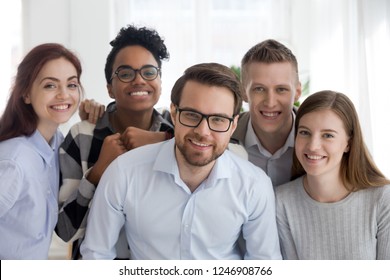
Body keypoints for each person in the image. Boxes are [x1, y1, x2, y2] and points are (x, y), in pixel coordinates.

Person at [80, 62, 282, 260]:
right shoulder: (123, 172)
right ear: (175, 114)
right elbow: (96, 255)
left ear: (233, 124)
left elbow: (264, 264)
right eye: (192, 115)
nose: (203, 132)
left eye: (218, 119)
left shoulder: (254, 185)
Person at [56, 25, 174, 259]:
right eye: (126, 73)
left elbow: (222, 145)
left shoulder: (176, 128)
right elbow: (65, 231)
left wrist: (162, 140)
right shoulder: (82, 137)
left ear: (160, 82)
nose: (139, 80)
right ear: (110, 88)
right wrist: (97, 172)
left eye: (149, 72)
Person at [275, 90, 390, 260]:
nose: (313, 146)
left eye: (327, 135)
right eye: (305, 132)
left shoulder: (382, 199)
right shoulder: (281, 201)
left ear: (348, 144)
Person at [0, 43, 83, 259]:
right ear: (26, 94)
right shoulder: (13, 161)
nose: (64, 95)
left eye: (72, 85)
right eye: (50, 86)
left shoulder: (57, 143)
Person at [230, 39, 301, 186]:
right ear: (243, 92)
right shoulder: (223, 140)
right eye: (259, 89)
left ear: (297, 92)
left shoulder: (318, 143)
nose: (270, 102)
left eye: (281, 89)